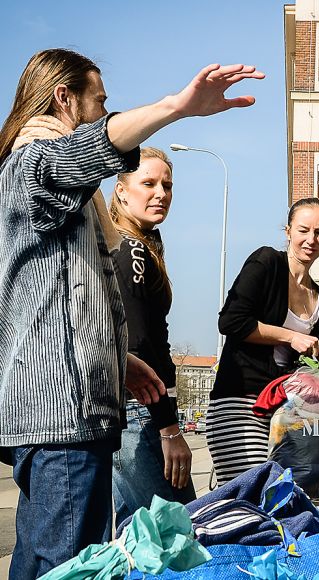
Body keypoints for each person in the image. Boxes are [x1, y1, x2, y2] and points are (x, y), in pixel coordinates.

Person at [0, 47, 263, 577]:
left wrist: (119, 357)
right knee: (68, 565)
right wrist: (177, 106)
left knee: (41, 563)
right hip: (61, 412)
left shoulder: (68, 202)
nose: (105, 113)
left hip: (66, 408)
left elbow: (65, 300)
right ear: (64, 99)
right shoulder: (34, 161)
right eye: (100, 102)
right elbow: (85, 152)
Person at [208, 198, 319, 487]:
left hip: (285, 411)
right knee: (251, 494)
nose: (311, 240)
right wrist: (291, 336)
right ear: (288, 231)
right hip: (240, 401)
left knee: (280, 498)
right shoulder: (267, 262)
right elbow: (231, 321)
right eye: (303, 230)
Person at [110, 147, 196, 522]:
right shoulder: (131, 250)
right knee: (179, 536)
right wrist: (169, 429)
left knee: (136, 539)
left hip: (125, 413)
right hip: (140, 411)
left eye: (168, 185)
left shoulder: (135, 243)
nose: (161, 193)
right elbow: (140, 344)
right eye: (148, 183)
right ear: (122, 190)